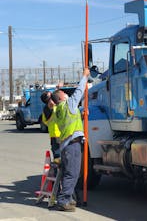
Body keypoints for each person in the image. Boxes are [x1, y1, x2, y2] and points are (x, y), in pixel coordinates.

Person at [51, 67, 90, 212]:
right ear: (61, 98)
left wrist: (81, 114)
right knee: (72, 174)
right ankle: (64, 200)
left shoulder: (59, 109)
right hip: (72, 145)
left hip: (66, 145)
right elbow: (79, 91)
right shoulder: (68, 105)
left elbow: (71, 120)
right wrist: (84, 76)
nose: (67, 95)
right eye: (63, 93)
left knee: (69, 173)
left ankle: (67, 198)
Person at [40, 91, 60, 160]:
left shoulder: (46, 109)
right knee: (59, 156)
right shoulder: (52, 108)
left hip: (55, 136)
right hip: (58, 135)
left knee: (58, 156)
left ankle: (58, 168)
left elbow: (45, 122)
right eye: (50, 96)